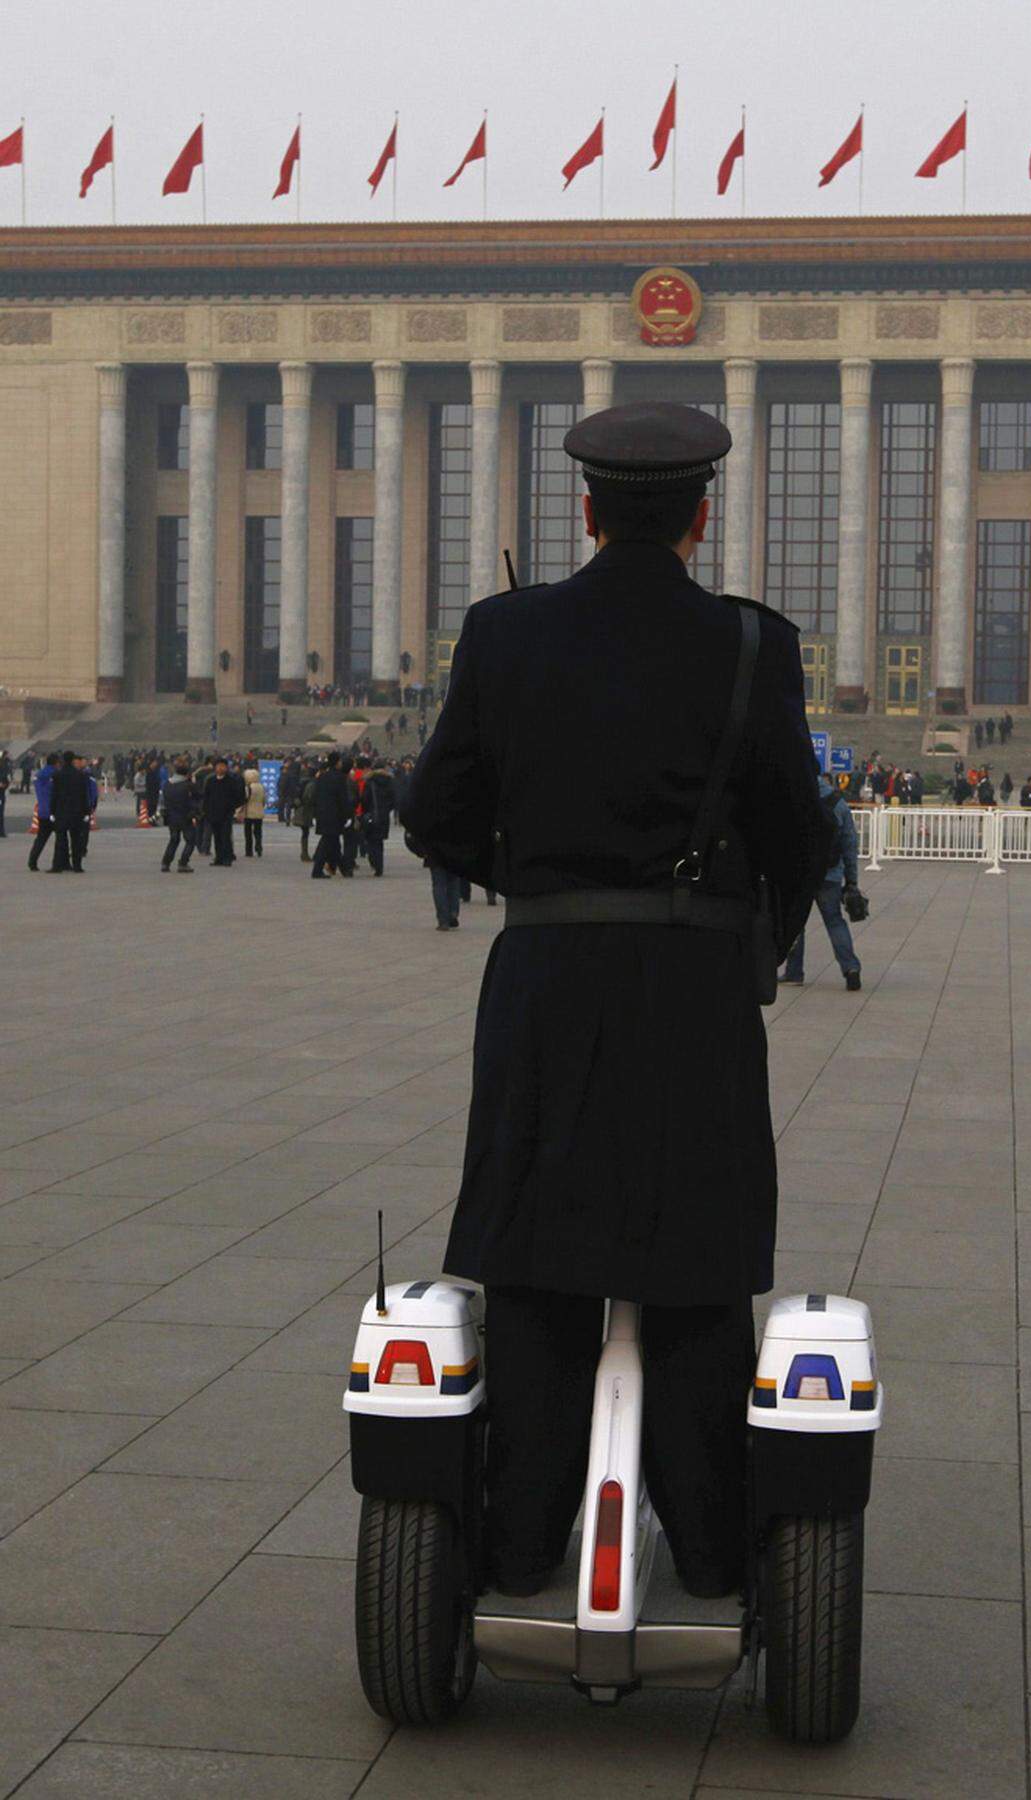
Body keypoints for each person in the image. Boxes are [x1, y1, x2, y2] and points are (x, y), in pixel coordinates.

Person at [400, 401, 827, 1599]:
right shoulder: (752, 648)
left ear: (585, 511)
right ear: (702, 515)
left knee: (536, 1270)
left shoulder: (503, 634)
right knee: (693, 1272)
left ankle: (523, 1543)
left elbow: (431, 814)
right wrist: (748, 931)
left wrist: (537, 887)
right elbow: (801, 833)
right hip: (692, 995)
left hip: (544, 983)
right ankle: (710, 1551)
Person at [780, 772, 862, 990]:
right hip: (830, 873)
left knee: (796, 924)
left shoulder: (794, 798)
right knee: (835, 922)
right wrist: (851, 881)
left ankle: (794, 972)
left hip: (800, 874)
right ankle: (850, 968)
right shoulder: (839, 803)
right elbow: (849, 844)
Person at [311, 750, 353, 879]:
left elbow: (315, 796)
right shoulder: (340, 778)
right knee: (327, 842)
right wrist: (347, 815)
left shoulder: (322, 776)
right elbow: (343, 799)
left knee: (333, 842)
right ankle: (317, 870)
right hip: (334, 814)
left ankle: (345, 869)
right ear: (336, 763)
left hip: (322, 813)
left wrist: (315, 812)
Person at [49, 750, 90, 873]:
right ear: (73, 760)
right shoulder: (80, 775)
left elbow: (54, 795)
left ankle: (57, 865)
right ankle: (77, 866)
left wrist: (52, 811)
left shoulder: (57, 775)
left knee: (60, 840)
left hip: (61, 811)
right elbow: (84, 795)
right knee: (76, 839)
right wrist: (86, 811)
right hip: (77, 812)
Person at [160, 756, 199, 872]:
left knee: (174, 840)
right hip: (185, 816)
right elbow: (197, 799)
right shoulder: (188, 785)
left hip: (172, 817)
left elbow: (163, 801)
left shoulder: (167, 784)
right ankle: (183, 862)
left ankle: (165, 863)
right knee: (190, 840)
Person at [202, 757, 241, 866]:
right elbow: (206, 797)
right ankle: (218, 858)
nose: (220, 768)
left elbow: (237, 797)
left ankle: (227, 858)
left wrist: (232, 809)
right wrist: (205, 811)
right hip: (213, 813)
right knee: (217, 837)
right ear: (215, 767)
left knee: (226, 837)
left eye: (223, 766)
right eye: (218, 766)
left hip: (226, 814)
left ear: (226, 767)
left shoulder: (231, 781)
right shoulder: (210, 780)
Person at [27, 752, 60, 871]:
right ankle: (60, 863)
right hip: (54, 811)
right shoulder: (55, 775)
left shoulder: (39, 775)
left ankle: (32, 861)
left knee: (40, 838)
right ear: (56, 763)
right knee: (61, 838)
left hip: (42, 810)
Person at [361, 761, 394, 876]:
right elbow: (393, 798)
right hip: (383, 816)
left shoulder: (370, 782)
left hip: (371, 814)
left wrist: (366, 810)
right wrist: (386, 809)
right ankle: (379, 866)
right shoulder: (389, 781)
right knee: (379, 842)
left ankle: (374, 862)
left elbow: (365, 799)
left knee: (370, 840)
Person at [238, 759, 265, 859]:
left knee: (248, 833)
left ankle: (249, 851)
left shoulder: (248, 787)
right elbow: (264, 800)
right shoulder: (261, 787)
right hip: (259, 812)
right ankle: (259, 848)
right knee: (258, 832)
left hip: (249, 813)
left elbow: (244, 800)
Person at [0, 748, 10, 836]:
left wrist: (4, 785)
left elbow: (6, 780)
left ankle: (1, 831)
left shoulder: (4, 764)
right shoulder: (4, 764)